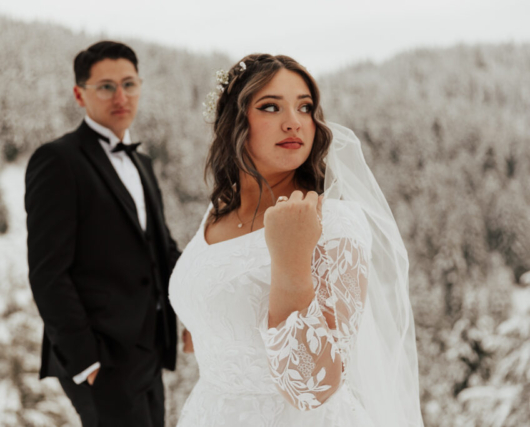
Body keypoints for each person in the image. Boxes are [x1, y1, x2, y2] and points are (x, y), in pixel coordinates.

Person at [168, 54, 424, 426]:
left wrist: (291, 261)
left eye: (305, 108)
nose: (294, 122)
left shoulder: (334, 224)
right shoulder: (217, 211)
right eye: (271, 107)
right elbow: (220, 303)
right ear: (233, 121)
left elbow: (312, 388)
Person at [25, 40, 182, 427]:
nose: (121, 96)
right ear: (80, 94)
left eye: (129, 84)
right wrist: (86, 361)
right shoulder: (57, 160)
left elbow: (161, 249)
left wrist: (196, 308)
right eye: (106, 86)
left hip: (150, 348)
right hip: (101, 356)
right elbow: (47, 272)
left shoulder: (142, 163)